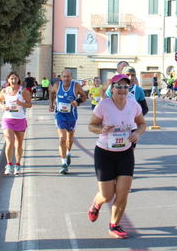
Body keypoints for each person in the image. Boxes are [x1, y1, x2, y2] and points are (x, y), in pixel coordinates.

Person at [87, 74, 147, 239]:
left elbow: (142, 123)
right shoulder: (103, 105)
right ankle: (95, 204)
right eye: (118, 86)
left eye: (125, 87)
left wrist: (138, 134)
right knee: (107, 195)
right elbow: (91, 125)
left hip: (125, 153)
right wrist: (102, 130)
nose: (122, 90)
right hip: (104, 153)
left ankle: (114, 225)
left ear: (129, 89)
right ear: (111, 89)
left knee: (122, 193)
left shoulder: (133, 104)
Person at [49, 69, 87, 174]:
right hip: (59, 115)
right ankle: (64, 164)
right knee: (62, 138)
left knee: (69, 140)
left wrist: (77, 101)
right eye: (64, 76)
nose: (66, 78)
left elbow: (84, 96)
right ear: (61, 77)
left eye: (68, 76)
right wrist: (51, 104)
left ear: (71, 77)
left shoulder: (76, 86)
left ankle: (68, 152)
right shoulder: (57, 85)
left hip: (72, 117)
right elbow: (52, 93)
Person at [0, 71, 32, 175]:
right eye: (11, 78)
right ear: (8, 80)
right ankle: (8, 165)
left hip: (20, 119)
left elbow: (29, 104)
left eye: (15, 78)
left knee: (19, 144)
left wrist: (20, 103)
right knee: (9, 142)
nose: (13, 80)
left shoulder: (23, 91)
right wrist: (3, 106)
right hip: (8, 119)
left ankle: (17, 164)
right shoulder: (4, 91)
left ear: (18, 80)